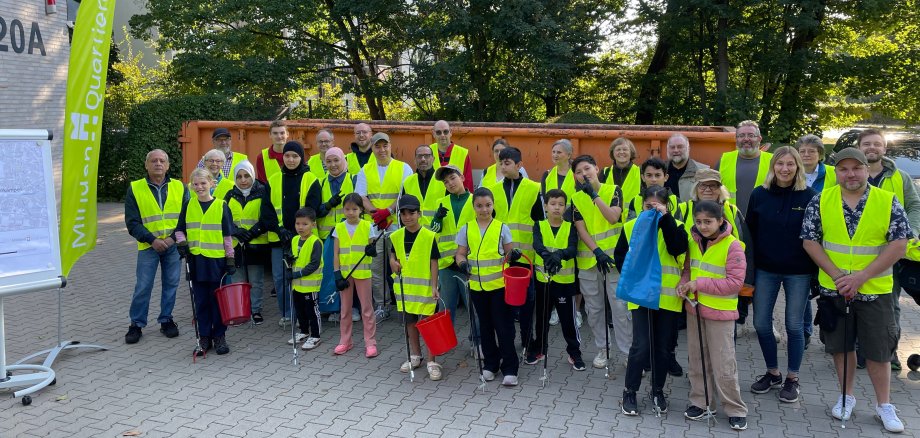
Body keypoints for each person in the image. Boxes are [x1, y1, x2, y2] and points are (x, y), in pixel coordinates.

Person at [801, 147, 908, 433]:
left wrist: (860, 277)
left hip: (875, 290)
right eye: (844, 169)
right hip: (835, 290)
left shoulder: (887, 201)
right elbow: (810, 241)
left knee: (878, 350)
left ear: (865, 169)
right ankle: (846, 397)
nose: (851, 174)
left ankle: (884, 405)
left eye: (856, 168)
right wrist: (838, 277)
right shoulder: (821, 199)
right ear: (836, 172)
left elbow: (899, 245)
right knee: (841, 346)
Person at [746, 147, 817, 403]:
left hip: (799, 272)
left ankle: (792, 378)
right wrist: (749, 270)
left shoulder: (810, 197)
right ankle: (773, 372)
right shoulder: (759, 195)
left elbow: (817, 236)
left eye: (790, 164)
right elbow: (750, 235)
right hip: (766, 270)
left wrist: (817, 275)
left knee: (794, 326)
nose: (785, 169)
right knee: (761, 323)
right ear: (772, 167)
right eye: (780, 164)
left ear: (798, 167)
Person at [614, 186, 688, 416]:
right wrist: (635, 282)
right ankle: (630, 391)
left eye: (658, 207)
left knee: (663, 349)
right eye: (648, 207)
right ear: (641, 205)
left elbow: (677, 247)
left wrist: (665, 220)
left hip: (667, 297)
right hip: (641, 297)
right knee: (641, 346)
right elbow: (620, 256)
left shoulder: (677, 227)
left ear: (667, 207)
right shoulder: (630, 226)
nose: (652, 211)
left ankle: (658, 390)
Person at [678, 200, 748, 431]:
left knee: (723, 363)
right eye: (699, 222)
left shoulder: (733, 246)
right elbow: (687, 268)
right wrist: (684, 282)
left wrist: (699, 283)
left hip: (720, 314)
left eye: (708, 222)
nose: (703, 226)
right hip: (695, 309)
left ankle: (735, 408)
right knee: (697, 361)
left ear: (720, 221)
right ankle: (701, 401)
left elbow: (735, 283)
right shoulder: (693, 241)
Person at [858, 128, 920, 370]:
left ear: (884, 148)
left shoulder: (900, 177)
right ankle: (861, 350)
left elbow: (915, 205)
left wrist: (909, 232)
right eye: (867, 144)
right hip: (856, 251)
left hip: (891, 255)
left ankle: (888, 353)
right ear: (860, 147)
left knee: (889, 305)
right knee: (857, 302)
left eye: (876, 144)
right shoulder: (849, 174)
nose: (871, 148)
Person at [455, 187, 520, 386]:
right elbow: (460, 254)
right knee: (485, 327)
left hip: (499, 287)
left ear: (493, 205)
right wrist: (462, 263)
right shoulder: (466, 228)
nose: (484, 209)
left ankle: (510, 368)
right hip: (477, 287)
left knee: (504, 327)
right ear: (474, 207)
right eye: (479, 206)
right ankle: (491, 364)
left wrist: (514, 256)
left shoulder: (502, 228)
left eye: (488, 205)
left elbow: (509, 254)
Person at [570, 154, 631, 369]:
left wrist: (594, 195)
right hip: (589, 261)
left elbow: (613, 217)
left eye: (587, 168)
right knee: (594, 310)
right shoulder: (576, 198)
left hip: (614, 262)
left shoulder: (614, 191)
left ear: (597, 168)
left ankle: (627, 353)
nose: (583, 174)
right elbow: (581, 228)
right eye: (578, 172)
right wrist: (597, 251)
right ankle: (602, 350)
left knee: (620, 308)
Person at [124, 149, 188, 344]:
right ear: (146, 165)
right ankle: (136, 324)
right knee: (143, 286)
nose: (158, 163)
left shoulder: (180, 187)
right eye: (153, 161)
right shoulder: (135, 188)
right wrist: (152, 240)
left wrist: (171, 239)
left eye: (162, 161)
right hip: (148, 246)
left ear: (168, 165)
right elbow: (132, 222)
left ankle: (166, 320)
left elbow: (187, 218)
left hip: (172, 245)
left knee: (171, 284)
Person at [175, 168, 235, 356]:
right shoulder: (188, 204)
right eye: (196, 184)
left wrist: (230, 258)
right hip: (196, 261)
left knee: (217, 301)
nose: (199, 187)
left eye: (203, 183)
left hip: (217, 262)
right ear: (191, 186)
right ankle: (204, 337)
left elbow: (227, 236)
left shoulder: (221, 205)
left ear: (212, 183)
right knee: (200, 301)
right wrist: (182, 243)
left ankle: (219, 336)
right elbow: (179, 230)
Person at [488, 146, 542, 354]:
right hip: (502, 256)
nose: (503, 166)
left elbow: (540, 223)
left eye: (507, 163)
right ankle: (507, 341)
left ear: (519, 165)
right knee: (505, 303)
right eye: (501, 163)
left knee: (527, 303)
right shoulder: (493, 189)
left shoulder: (533, 188)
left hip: (526, 256)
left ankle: (528, 341)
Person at [355, 132, 413, 323]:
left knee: (400, 265)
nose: (382, 150)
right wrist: (375, 213)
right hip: (374, 226)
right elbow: (361, 196)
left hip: (396, 224)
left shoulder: (403, 168)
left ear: (390, 146)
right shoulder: (365, 170)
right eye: (377, 146)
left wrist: (387, 212)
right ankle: (382, 305)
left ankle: (405, 305)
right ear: (372, 148)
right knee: (377, 268)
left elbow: (405, 196)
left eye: (385, 145)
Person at [265, 140, 322, 326]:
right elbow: (266, 211)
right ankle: (288, 313)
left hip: (303, 239)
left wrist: (298, 232)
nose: (291, 159)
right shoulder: (273, 179)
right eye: (287, 155)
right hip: (278, 238)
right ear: (283, 157)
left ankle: (303, 315)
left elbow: (312, 209)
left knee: (302, 277)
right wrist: (279, 230)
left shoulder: (311, 179)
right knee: (280, 278)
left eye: (295, 156)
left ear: (301, 158)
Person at [389, 194, 443, 380]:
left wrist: (435, 286)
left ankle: (431, 361)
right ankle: (415, 355)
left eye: (411, 213)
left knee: (429, 325)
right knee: (410, 323)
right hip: (406, 290)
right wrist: (392, 262)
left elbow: (434, 262)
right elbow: (393, 255)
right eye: (403, 213)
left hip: (426, 289)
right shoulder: (396, 236)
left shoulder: (429, 236)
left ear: (419, 214)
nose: (407, 217)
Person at [529, 189, 584, 370]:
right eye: (553, 204)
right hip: (543, 280)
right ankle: (539, 349)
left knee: (568, 320)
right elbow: (537, 244)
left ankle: (574, 353)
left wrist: (559, 255)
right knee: (542, 318)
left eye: (561, 204)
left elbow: (572, 249)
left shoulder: (570, 227)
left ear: (565, 207)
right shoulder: (539, 225)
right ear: (545, 206)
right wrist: (547, 255)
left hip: (565, 282)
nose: (557, 208)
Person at [796, 134, 834, 348]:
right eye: (803, 151)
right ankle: (805, 330)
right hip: (799, 238)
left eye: (812, 151)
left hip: (826, 238)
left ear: (820, 154)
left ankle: (830, 331)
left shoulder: (831, 174)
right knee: (803, 287)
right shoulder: (791, 173)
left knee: (826, 287)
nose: (807, 155)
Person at [332, 193, 378, 357]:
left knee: (366, 309)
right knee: (345, 309)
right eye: (347, 209)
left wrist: (372, 251)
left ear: (361, 210)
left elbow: (372, 249)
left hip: (363, 273)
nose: (350, 212)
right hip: (345, 274)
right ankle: (345, 341)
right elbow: (336, 253)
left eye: (354, 209)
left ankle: (370, 343)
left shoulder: (367, 226)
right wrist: (337, 274)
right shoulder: (339, 228)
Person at [225, 160, 270, 324]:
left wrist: (252, 233)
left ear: (252, 175)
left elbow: (266, 217)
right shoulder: (230, 195)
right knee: (238, 280)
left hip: (256, 244)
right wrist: (236, 231)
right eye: (239, 177)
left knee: (256, 281)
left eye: (246, 176)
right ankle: (241, 311)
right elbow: (224, 218)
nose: (243, 180)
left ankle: (255, 310)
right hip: (236, 244)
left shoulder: (262, 192)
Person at [429, 165, 474, 328]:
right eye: (446, 182)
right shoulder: (441, 203)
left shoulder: (474, 201)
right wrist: (437, 218)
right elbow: (434, 230)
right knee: (446, 307)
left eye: (453, 178)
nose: (450, 183)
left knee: (473, 306)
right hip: (447, 264)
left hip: (467, 263)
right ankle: (445, 342)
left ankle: (476, 342)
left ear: (462, 177)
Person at [715, 120, 773, 216]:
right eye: (741, 135)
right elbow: (713, 190)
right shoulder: (724, 159)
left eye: (751, 135)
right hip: (729, 221)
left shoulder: (773, 161)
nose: (746, 139)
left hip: (763, 220)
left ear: (759, 139)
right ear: (736, 139)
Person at [287, 207, 324, 351]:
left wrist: (297, 274)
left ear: (313, 224)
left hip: (310, 285)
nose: (300, 227)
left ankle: (315, 335)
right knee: (299, 309)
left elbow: (314, 264)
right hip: (297, 285)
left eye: (304, 224)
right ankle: (303, 331)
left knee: (312, 311)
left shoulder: (316, 242)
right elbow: (293, 257)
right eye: (298, 224)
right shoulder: (295, 239)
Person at [403, 144, 446, 225]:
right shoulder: (407, 182)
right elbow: (402, 210)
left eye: (427, 156)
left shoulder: (443, 180)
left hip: (438, 233)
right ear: (415, 160)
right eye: (419, 156)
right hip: (416, 233)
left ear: (433, 159)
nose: (423, 159)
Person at [430, 120, 474, 192]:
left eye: (445, 131)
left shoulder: (463, 153)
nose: (442, 135)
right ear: (433, 134)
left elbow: (468, 181)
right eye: (438, 132)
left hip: (456, 201)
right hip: (433, 201)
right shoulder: (428, 152)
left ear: (451, 132)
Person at [602, 138, 641, 218]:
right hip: (610, 223)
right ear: (613, 153)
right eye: (618, 149)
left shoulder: (640, 172)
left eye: (625, 149)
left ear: (631, 152)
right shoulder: (605, 173)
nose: (621, 152)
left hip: (633, 222)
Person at [664, 133, 709, 202]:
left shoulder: (703, 171)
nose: (676, 150)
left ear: (688, 149)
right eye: (672, 147)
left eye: (680, 147)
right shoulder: (660, 171)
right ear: (667, 149)